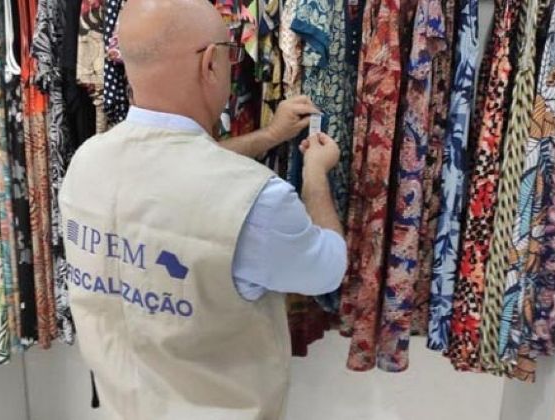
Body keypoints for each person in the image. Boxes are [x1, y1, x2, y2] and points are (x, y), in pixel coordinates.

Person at [57, 0, 347, 417]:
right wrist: (315, 176)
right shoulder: (257, 199)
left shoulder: (87, 163)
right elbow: (326, 269)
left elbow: (179, 167)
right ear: (210, 62)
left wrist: (269, 136)